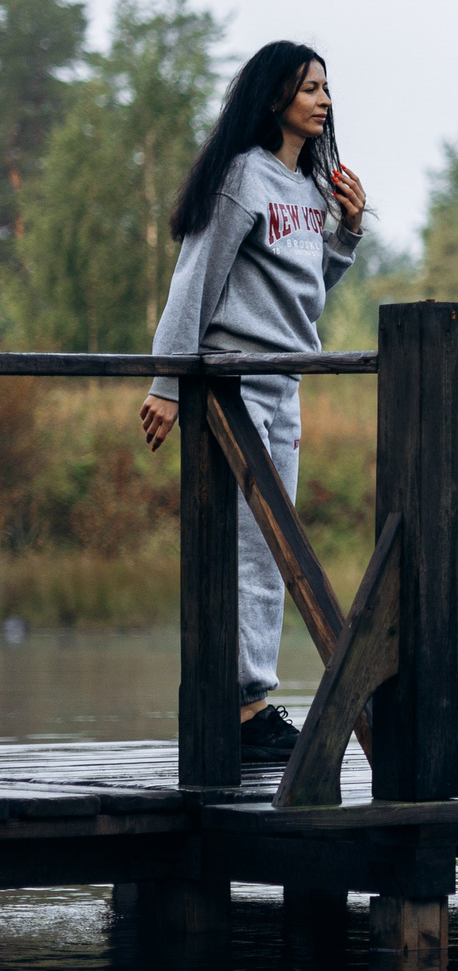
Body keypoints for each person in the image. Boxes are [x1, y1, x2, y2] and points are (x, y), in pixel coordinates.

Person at [138, 42, 367, 762]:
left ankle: (249, 702)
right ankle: (241, 705)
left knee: (273, 551)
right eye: (308, 88)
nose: (323, 100)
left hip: (285, 383)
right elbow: (194, 281)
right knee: (242, 547)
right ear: (275, 99)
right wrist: (168, 382)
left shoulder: (308, 193)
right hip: (232, 386)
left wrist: (347, 232)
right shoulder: (245, 178)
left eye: (327, 88)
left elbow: (309, 297)